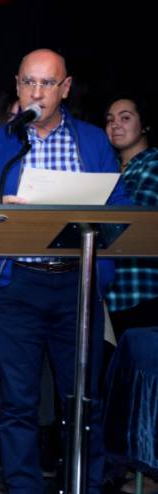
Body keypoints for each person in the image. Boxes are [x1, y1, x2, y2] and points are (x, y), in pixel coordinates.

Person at [0, 48, 128, 493]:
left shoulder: (93, 141)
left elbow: (121, 207)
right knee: (18, 403)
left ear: (65, 88)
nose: (36, 92)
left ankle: (85, 486)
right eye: (28, 82)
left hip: (78, 286)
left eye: (47, 83)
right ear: (17, 85)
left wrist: (100, 275)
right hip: (18, 286)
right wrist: (0, 211)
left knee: (83, 402)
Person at [104, 95, 158, 334]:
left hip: (141, 290)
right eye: (110, 120)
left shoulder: (153, 163)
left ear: (144, 125)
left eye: (125, 118)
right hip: (107, 295)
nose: (115, 125)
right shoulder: (105, 167)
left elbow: (133, 220)